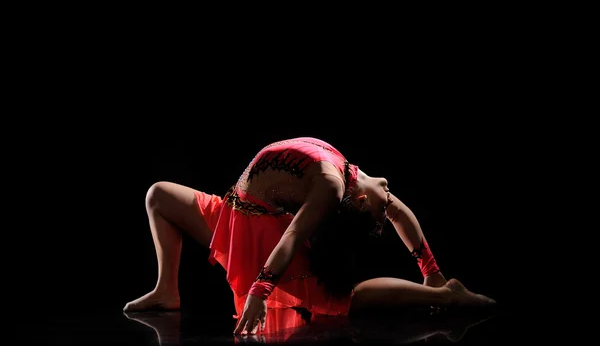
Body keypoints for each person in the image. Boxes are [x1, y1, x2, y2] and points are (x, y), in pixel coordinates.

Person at [123, 137, 495, 336]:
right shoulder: (345, 175)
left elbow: (293, 235)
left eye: (382, 211)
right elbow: (398, 212)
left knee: (337, 301)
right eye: (382, 210)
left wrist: (432, 273)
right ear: (363, 198)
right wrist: (427, 265)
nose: (390, 205)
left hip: (265, 232)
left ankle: (445, 295)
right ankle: (167, 291)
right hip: (233, 213)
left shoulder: (341, 185)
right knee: (158, 195)